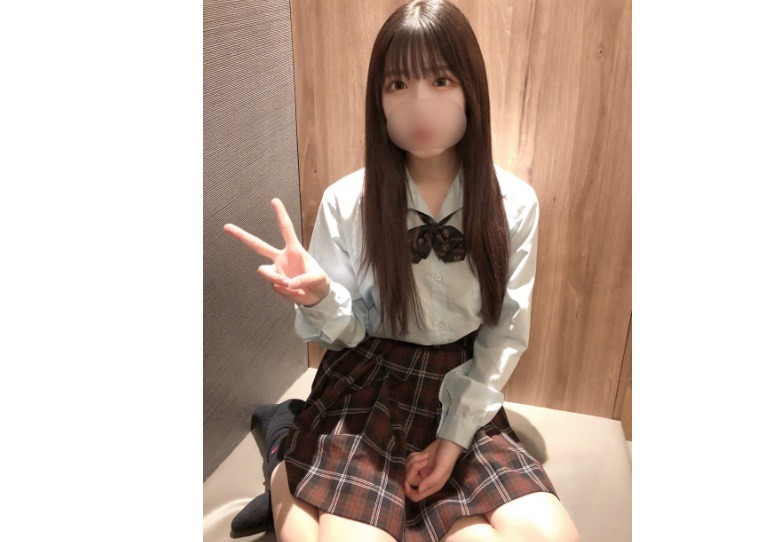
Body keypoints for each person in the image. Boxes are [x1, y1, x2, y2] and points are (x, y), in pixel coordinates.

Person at [224, 1, 580, 540]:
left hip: (461, 382)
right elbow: (345, 335)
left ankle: (292, 449)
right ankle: (283, 450)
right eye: (397, 84)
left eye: (441, 80)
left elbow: (506, 330)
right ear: (379, 100)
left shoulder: (515, 203)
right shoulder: (347, 201)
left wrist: (454, 438)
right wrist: (318, 296)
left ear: (471, 89)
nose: (420, 106)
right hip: (368, 376)